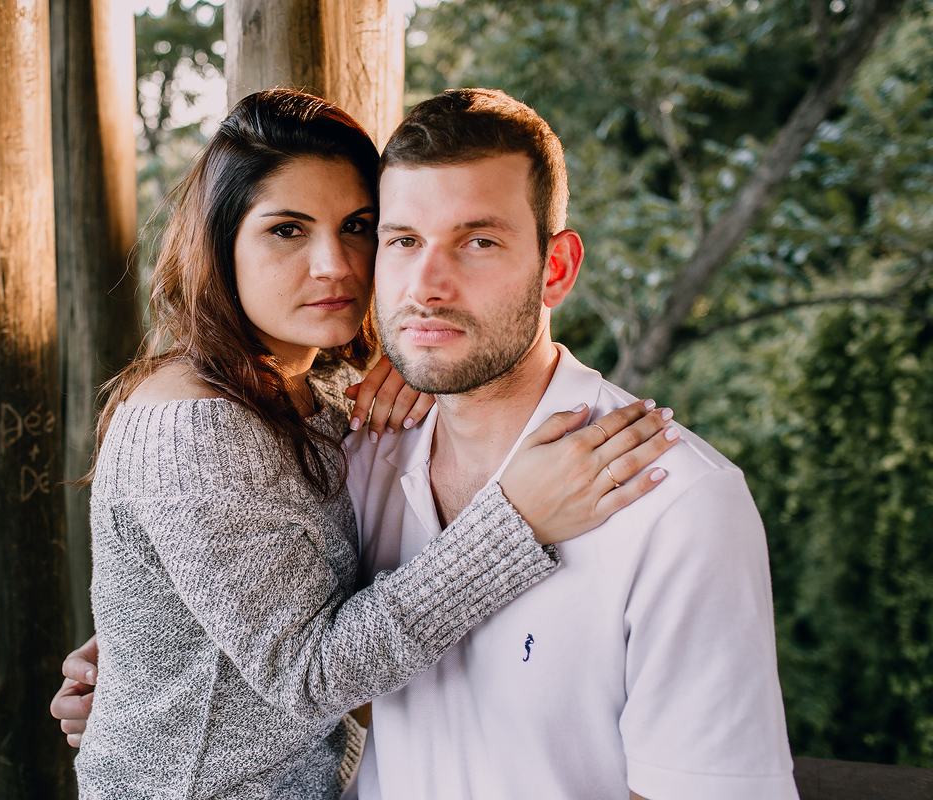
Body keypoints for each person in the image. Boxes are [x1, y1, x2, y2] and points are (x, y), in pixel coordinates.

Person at [57, 89, 800, 800]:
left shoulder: (670, 503)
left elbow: (283, 621)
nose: (422, 284)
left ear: (556, 268)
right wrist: (148, 666)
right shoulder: (297, 439)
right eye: (404, 240)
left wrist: (152, 659)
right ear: (220, 246)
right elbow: (307, 667)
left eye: (477, 242)